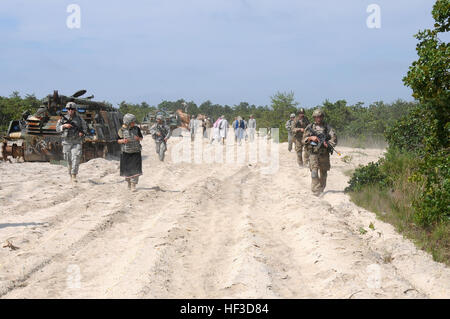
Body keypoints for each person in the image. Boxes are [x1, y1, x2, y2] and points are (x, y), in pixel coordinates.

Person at [303, 109, 337, 196]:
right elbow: (303, 140)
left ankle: (321, 189)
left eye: (320, 116)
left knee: (323, 173)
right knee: (314, 173)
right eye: (317, 117)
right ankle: (315, 190)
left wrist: (328, 143)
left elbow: (334, 139)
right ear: (314, 118)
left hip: (324, 154)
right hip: (313, 153)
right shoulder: (310, 127)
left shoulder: (327, 128)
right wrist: (311, 138)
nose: (319, 118)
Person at [56, 102, 88, 183]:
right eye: (69, 109)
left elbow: (85, 128)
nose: (70, 110)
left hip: (76, 141)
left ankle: (74, 175)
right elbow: (57, 129)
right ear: (67, 110)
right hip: (66, 141)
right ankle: (70, 173)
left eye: (72, 109)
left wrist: (82, 133)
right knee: (68, 159)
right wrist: (64, 126)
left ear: (75, 110)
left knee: (76, 157)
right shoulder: (62, 119)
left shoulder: (80, 119)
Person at [117, 113, 143, 192]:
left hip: (136, 152)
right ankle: (128, 183)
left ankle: (133, 185)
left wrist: (138, 138)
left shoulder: (137, 129)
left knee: (136, 169)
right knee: (127, 170)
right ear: (128, 122)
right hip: (126, 153)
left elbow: (141, 138)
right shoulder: (121, 130)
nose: (134, 123)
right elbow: (117, 140)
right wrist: (123, 141)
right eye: (132, 122)